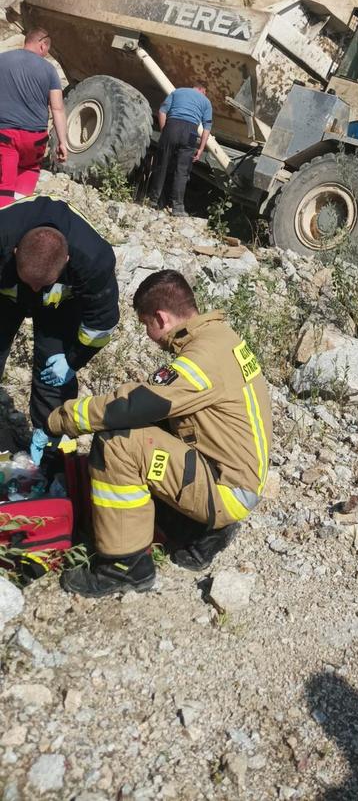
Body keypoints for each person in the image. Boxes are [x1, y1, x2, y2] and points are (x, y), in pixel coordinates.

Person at [47, 269, 272, 597]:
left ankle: (124, 566)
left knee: (118, 442)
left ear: (161, 318)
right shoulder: (220, 337)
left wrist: (61, 418)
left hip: (226, 489)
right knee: (151, 427)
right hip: (235, 476)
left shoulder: (201, 359)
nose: (148, 335)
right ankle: (198, 529)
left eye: (145, 326)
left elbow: (135, 404)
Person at [0, 197, 119, 455]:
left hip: (62, 302)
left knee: (52, 368)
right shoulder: (2, 235)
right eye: (31, 283)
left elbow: (101, 324)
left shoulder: (93, 260)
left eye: (40, 285)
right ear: (16, 251)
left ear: (66, 259)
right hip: (5, 291)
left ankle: (53, 444)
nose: (34, 290)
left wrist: (73, 360)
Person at [0, 27, 68, 208]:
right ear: (42, 45)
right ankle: (20, 212)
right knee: (28, 170)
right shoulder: (49, 70)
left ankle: (3, 219)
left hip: (6, 136)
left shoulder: (2, 60)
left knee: (4, 186)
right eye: (47, 50)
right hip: (35, 139)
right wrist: (63, 142)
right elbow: (57, 108)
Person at [148, 85, 212, 216]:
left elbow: (162, 111)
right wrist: (201, 148)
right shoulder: (206, 102)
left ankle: (153, 200)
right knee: (182, 171)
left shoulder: (177, 92)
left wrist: (164, 131)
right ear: (203, 91)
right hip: (190, 133)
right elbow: (207, 128)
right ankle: (177, 207)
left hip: (172, 126)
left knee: (162, 165)